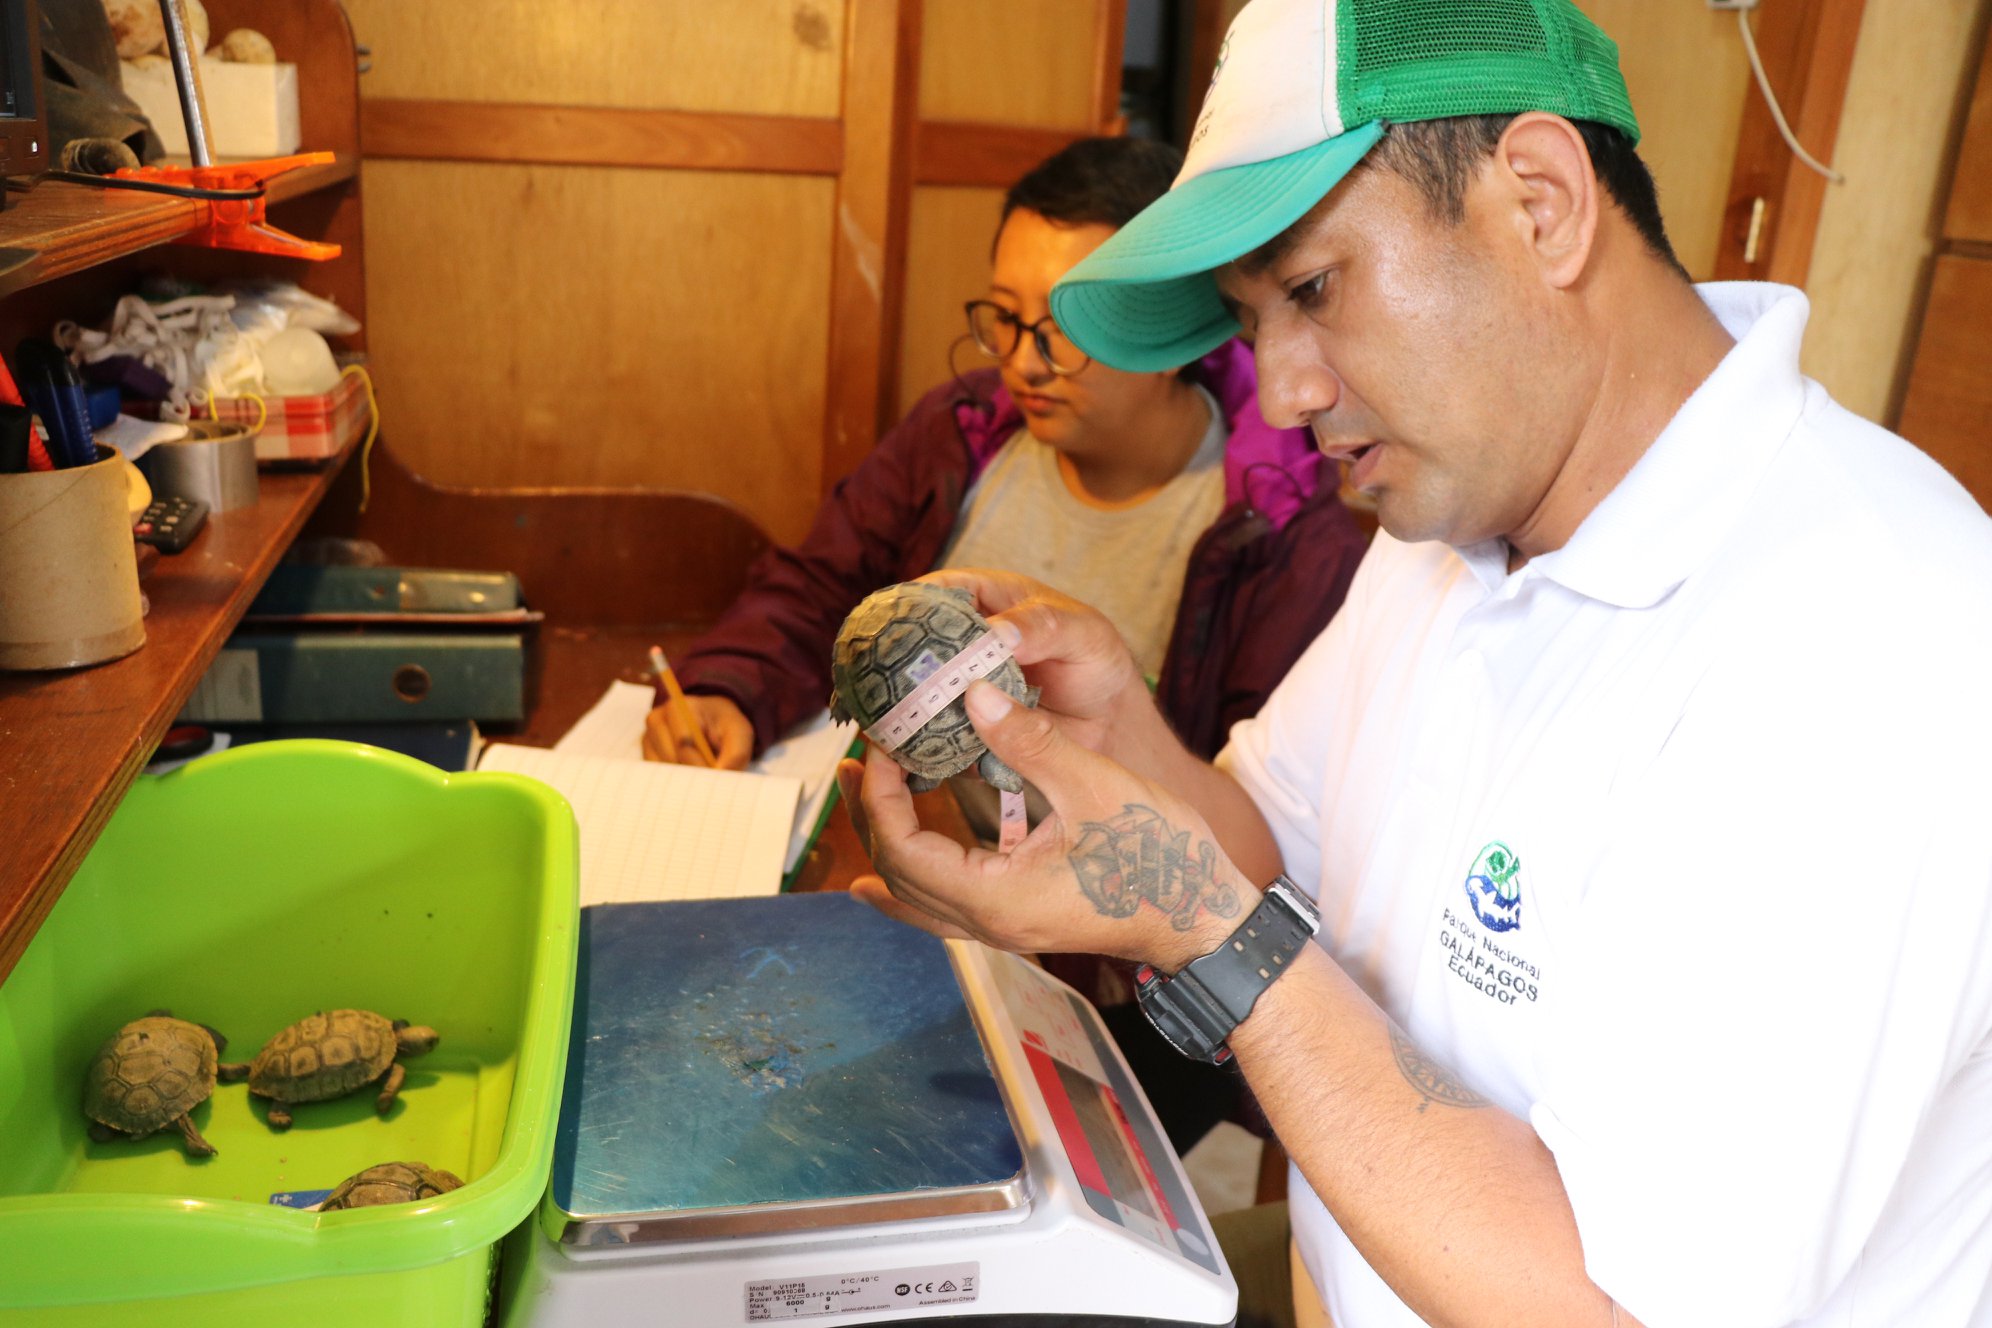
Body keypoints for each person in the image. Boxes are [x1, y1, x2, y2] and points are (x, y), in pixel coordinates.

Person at [838, 1, 1992, 1326]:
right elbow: (1271, 848)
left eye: (1315, 290)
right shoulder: (1447, 528)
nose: (1280, 393)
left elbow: (1605, 1307)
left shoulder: (1874, 647)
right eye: (1251, 319)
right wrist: (1124, 738)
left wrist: (1202, 934)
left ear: (1544, 203)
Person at [650, 134, 1373, 1150]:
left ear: (1167, 324)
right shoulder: (962, 433)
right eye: (1004, 317)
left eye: (1067, 327)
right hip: (894, 904)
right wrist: (727, 688)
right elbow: (819, 580)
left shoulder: (1278, 530)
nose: (1024, 361)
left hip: (1103, 982)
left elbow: (1256, 835)